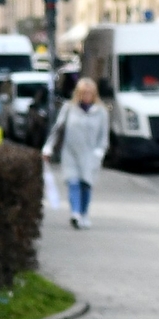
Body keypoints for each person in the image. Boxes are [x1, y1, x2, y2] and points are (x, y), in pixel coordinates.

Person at [45, 76, 108, 228]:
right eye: (83, 92)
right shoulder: (69, 108)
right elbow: (58, 129)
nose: (86, 96)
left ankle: (84, 213)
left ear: (94, 94)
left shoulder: (101, 112)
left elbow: (103, 137)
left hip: (90, 154)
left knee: (85, 184)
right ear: (77, 93)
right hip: (71, 152)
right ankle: (75, 213)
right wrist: (48, 147)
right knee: (73, 182)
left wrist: (99, 152)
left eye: (89, 92)